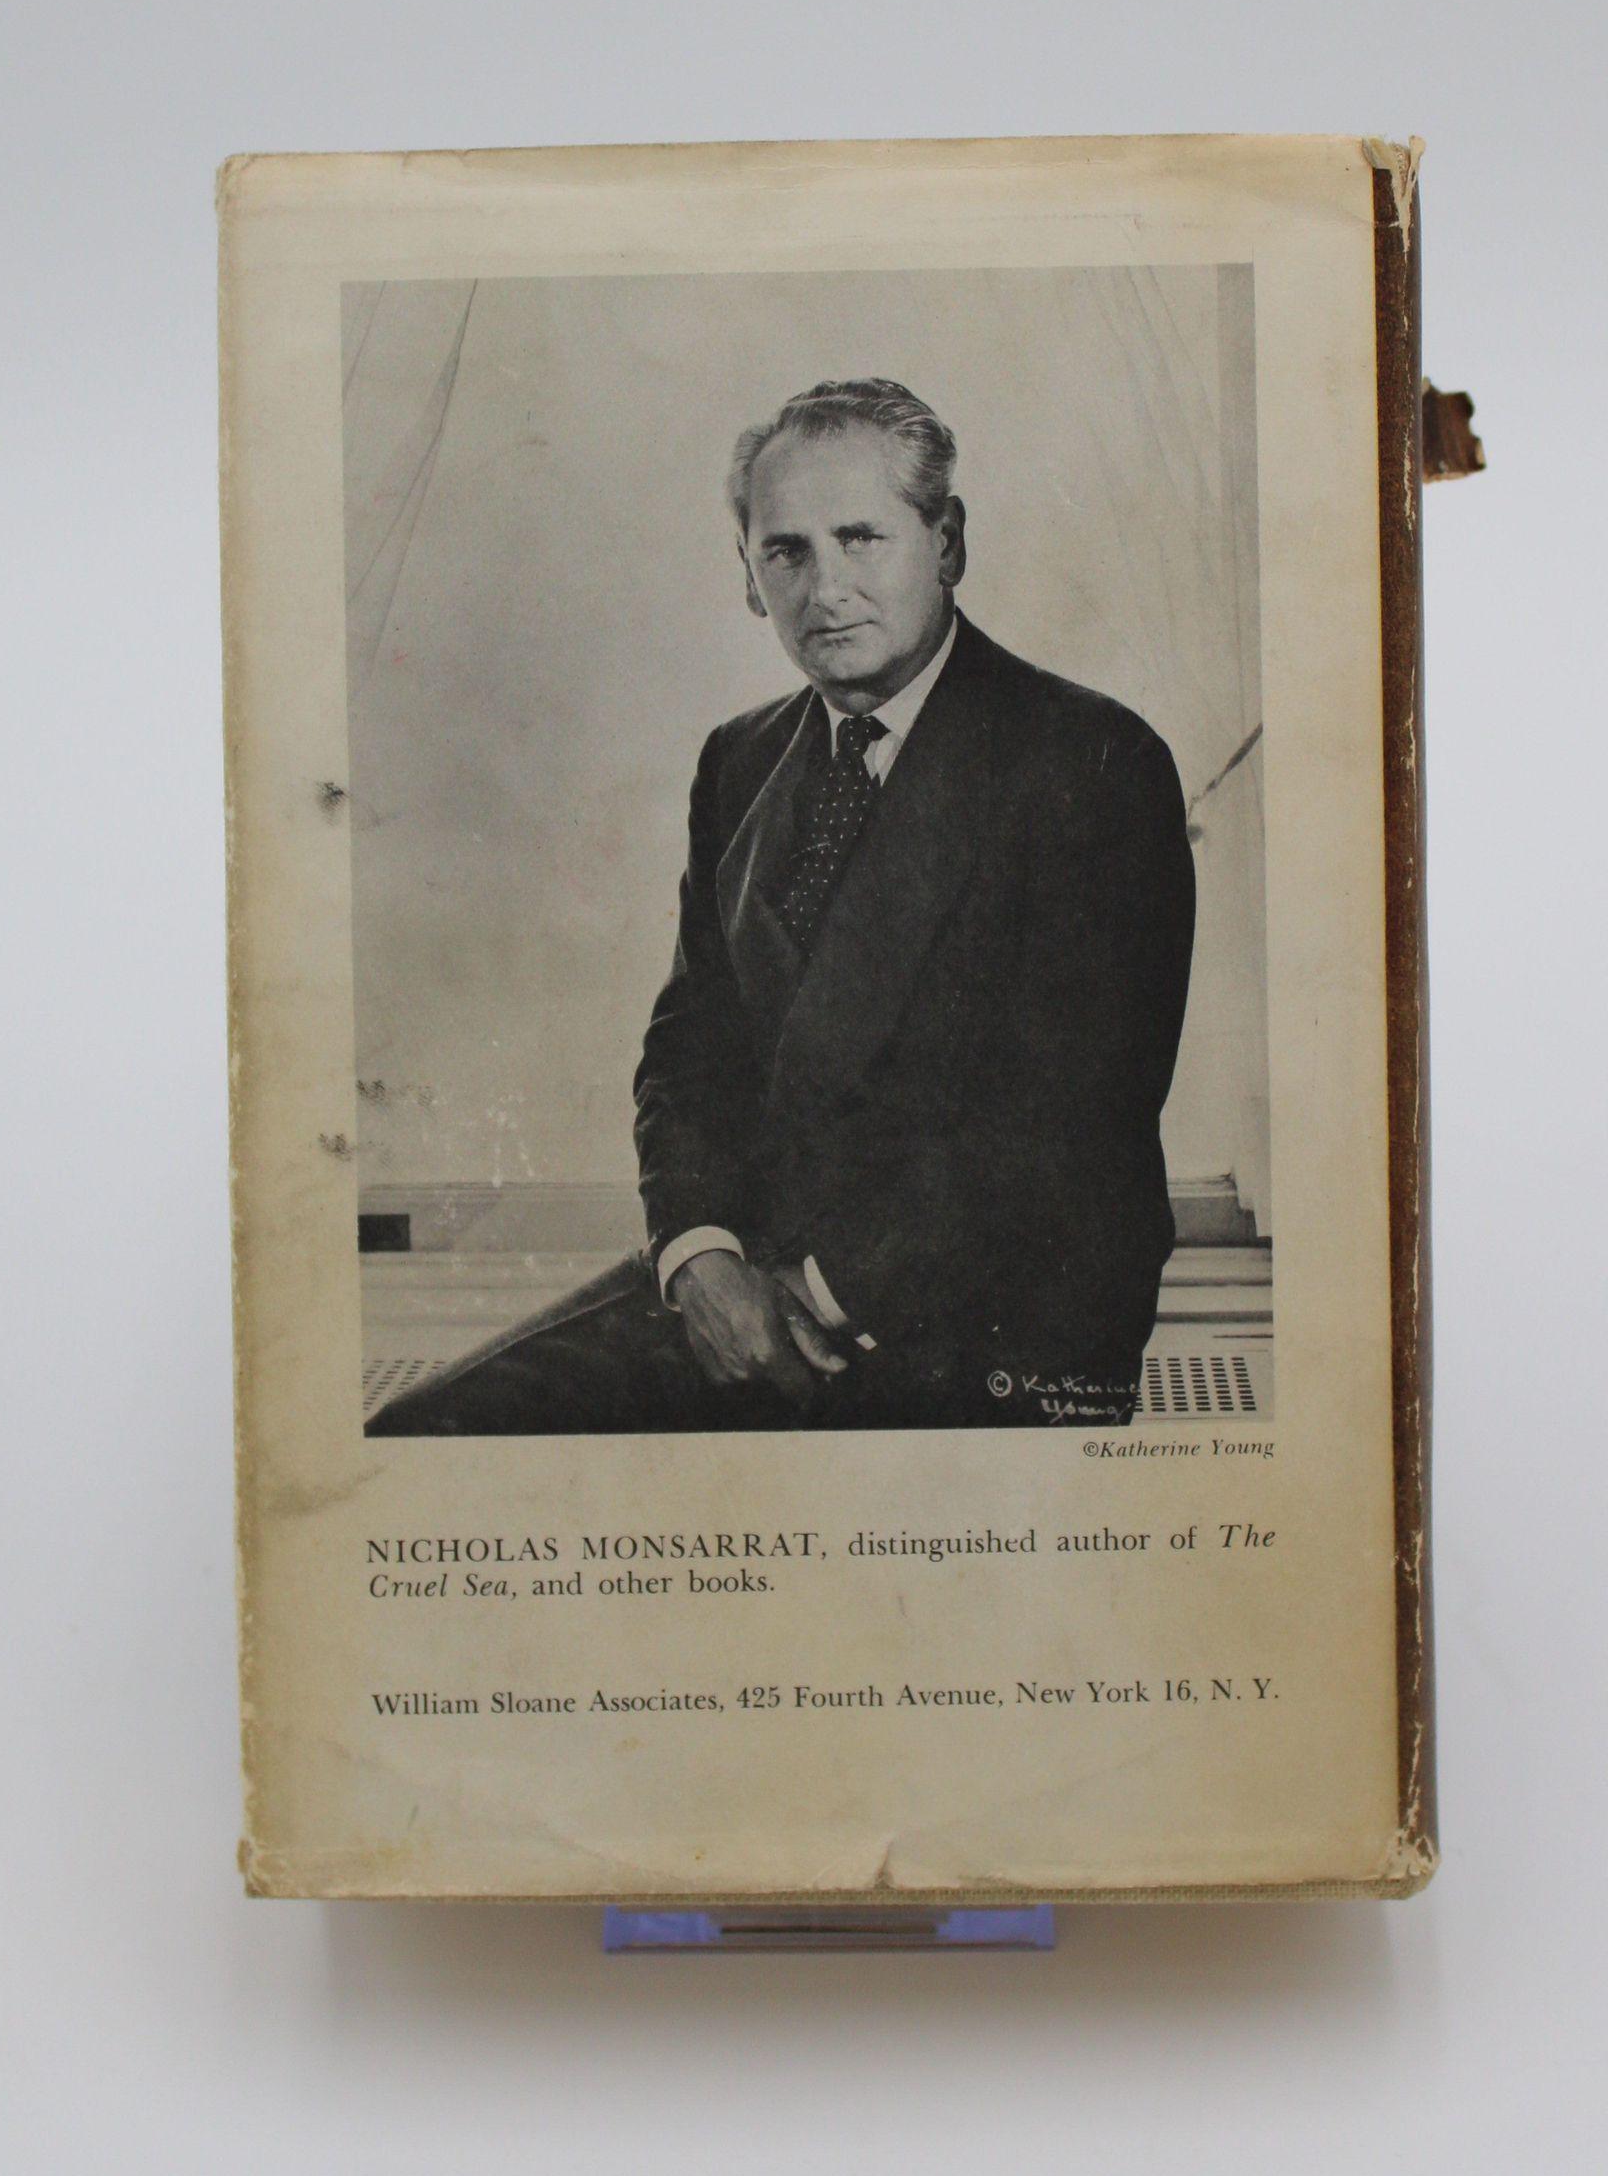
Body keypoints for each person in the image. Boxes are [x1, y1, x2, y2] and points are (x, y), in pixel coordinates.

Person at [366, 376, 1195, 1433]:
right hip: (745, 1281)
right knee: (416, 1442)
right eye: (787, 552)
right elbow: (688, 1051)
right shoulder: (740, 759)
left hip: (997, 1318)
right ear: (750, 577)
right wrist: (698, 1256)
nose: (825, 588)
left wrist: (812, 1296)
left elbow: (1069, 1126)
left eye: (862, 539)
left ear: (947, 543)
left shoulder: (1093, 761)